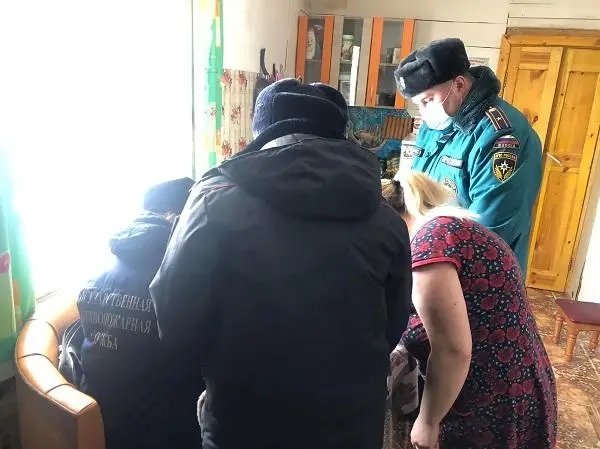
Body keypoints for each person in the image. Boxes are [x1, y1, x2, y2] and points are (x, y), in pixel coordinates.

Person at [150, 79, 413, 449]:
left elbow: (176, 320)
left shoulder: (213, 200)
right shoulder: (385, 218)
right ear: (338, 134)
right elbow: (393, 322)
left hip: (244, 421)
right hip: (349, 425)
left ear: (261, 132)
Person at [382, 171, 557, 449]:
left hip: (489, 402)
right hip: (515, 384)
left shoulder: (430, 247)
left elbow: (452, 350)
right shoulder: (450, 228)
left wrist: (428, 421)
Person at [75, 177, 204, 449]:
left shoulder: (98, 274)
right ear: (180, 218)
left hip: (102, 430)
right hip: (168, 434)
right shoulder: (182, 276)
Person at [394, 38, 542, 272]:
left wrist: (432, 262)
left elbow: (489, 231)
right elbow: (417, 190)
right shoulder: (435, 124)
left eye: (428, 100)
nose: (423, 111)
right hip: (432, 256)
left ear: (460, 85)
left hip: (479, 272)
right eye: (418, 103)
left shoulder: (501, 136)